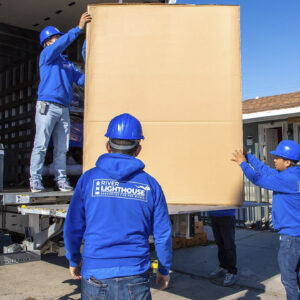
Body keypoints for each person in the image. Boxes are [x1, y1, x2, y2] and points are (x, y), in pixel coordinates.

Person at [63, 113, 172, 300]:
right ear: (138, 149)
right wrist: (164, 268)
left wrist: (74, 259)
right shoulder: (150, 185)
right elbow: (163, 233)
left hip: (96, 273)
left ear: (107, 146)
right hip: (135, 275)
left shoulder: (88, 180)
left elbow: (73, 226)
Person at [29, 12, 92, 193]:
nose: (59, 41)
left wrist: (95, 67)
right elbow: (63, 44)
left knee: (62, 148)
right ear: (47, 43)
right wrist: (78, 29)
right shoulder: (47, 56)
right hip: (47, 106)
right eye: (55, 39)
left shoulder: (67, 64)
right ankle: (35, 180)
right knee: (41, 144)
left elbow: (81, 81)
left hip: (63, 108)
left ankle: (61, 180)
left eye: (59, 38)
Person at [232, 140, 300, 300]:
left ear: (288, 162)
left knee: (289, 279)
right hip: (296, 235)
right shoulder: (292, 174)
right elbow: (265, 170)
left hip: (290, 237)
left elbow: (257, 178)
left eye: (278, 158)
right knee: (296, 275)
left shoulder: (286, 180)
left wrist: (242, 164)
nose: (274, 160)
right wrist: (248, 157)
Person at [208, 209, 238, 286]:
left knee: (229, 245)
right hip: (213, 214)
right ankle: (223, 266)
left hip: (227, 214)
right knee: (219, 243)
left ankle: (232, 271)